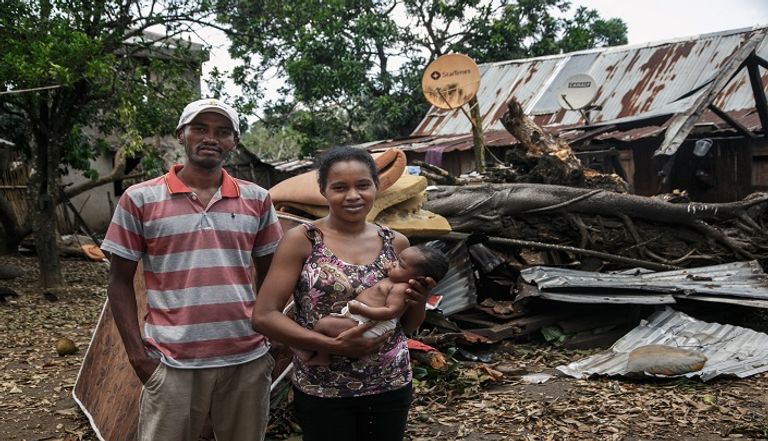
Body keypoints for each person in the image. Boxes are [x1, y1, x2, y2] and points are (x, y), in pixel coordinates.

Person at [101, 98, 282, 441]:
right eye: (199, 128)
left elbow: (272, 274)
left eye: (222, 132)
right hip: (172, 362)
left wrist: (272, 342)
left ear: (235, 141)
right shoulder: (139, 199)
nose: (210, 138)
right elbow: (119, 282)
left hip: (245, 359)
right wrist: (138, 357)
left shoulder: (257, 199)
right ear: (181, 135)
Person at [252, 146, 437, 441]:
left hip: (389, 382)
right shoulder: (303, 240)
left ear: (376, 187)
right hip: (322, 387)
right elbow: (264, 316)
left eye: (363, 185)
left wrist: (419, 300)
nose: (353, 195)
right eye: (340, 187)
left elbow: (408, 325)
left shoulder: (397, 244)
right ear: (323, 191)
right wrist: (334, 346)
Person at [295, 244, 448, 365]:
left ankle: (321, 356)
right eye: (397, 260)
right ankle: (321, 353)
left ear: (418, 279)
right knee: (328, 326)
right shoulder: (397, 278)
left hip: (372, 323)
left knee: (324, 325)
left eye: (400, 265)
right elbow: (394, 271)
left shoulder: (401, 289)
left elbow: (391, 312)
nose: (394, 264)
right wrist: (393, 268)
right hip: (363, 319)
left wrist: (361, 309)